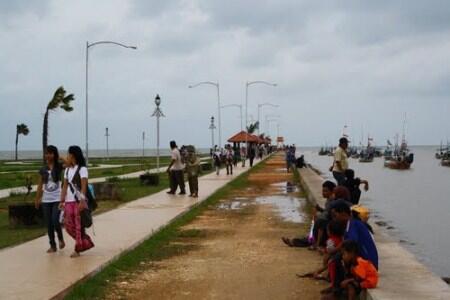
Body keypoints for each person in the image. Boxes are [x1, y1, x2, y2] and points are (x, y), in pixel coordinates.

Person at [59, 145, 94, 257]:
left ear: (73, 155)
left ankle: (77, 248)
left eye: (68, 154)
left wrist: (82, 201)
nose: (67, 156)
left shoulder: (82, 169)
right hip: (68, 202)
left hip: (78, 201)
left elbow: (84, 185)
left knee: (79, 226)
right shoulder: (67, 170)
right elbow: (64, 186)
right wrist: (62, 200)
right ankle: (85, 241)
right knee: (68, 226)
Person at [35, 145, 65, 253]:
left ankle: (61, 238)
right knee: (48, 223)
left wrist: (60, 157)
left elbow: (70, 164)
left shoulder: (60, 166)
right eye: (46, 153)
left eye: (50, 153)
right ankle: (53, 245)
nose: (48, 155)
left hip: (57, 198)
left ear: (54, 154)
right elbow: (40, 185)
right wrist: (37, 199)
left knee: (55, 220)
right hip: (46, 199)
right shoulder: (43, 169)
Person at [331, 200, 378, 269]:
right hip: (364, 261)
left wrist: (333, 251)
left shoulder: (353, 225)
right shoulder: (349, 225)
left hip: (368, 264)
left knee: (340, 257)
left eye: (335, 216)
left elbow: (351, 243)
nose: (334, 219)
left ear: (343, 214)